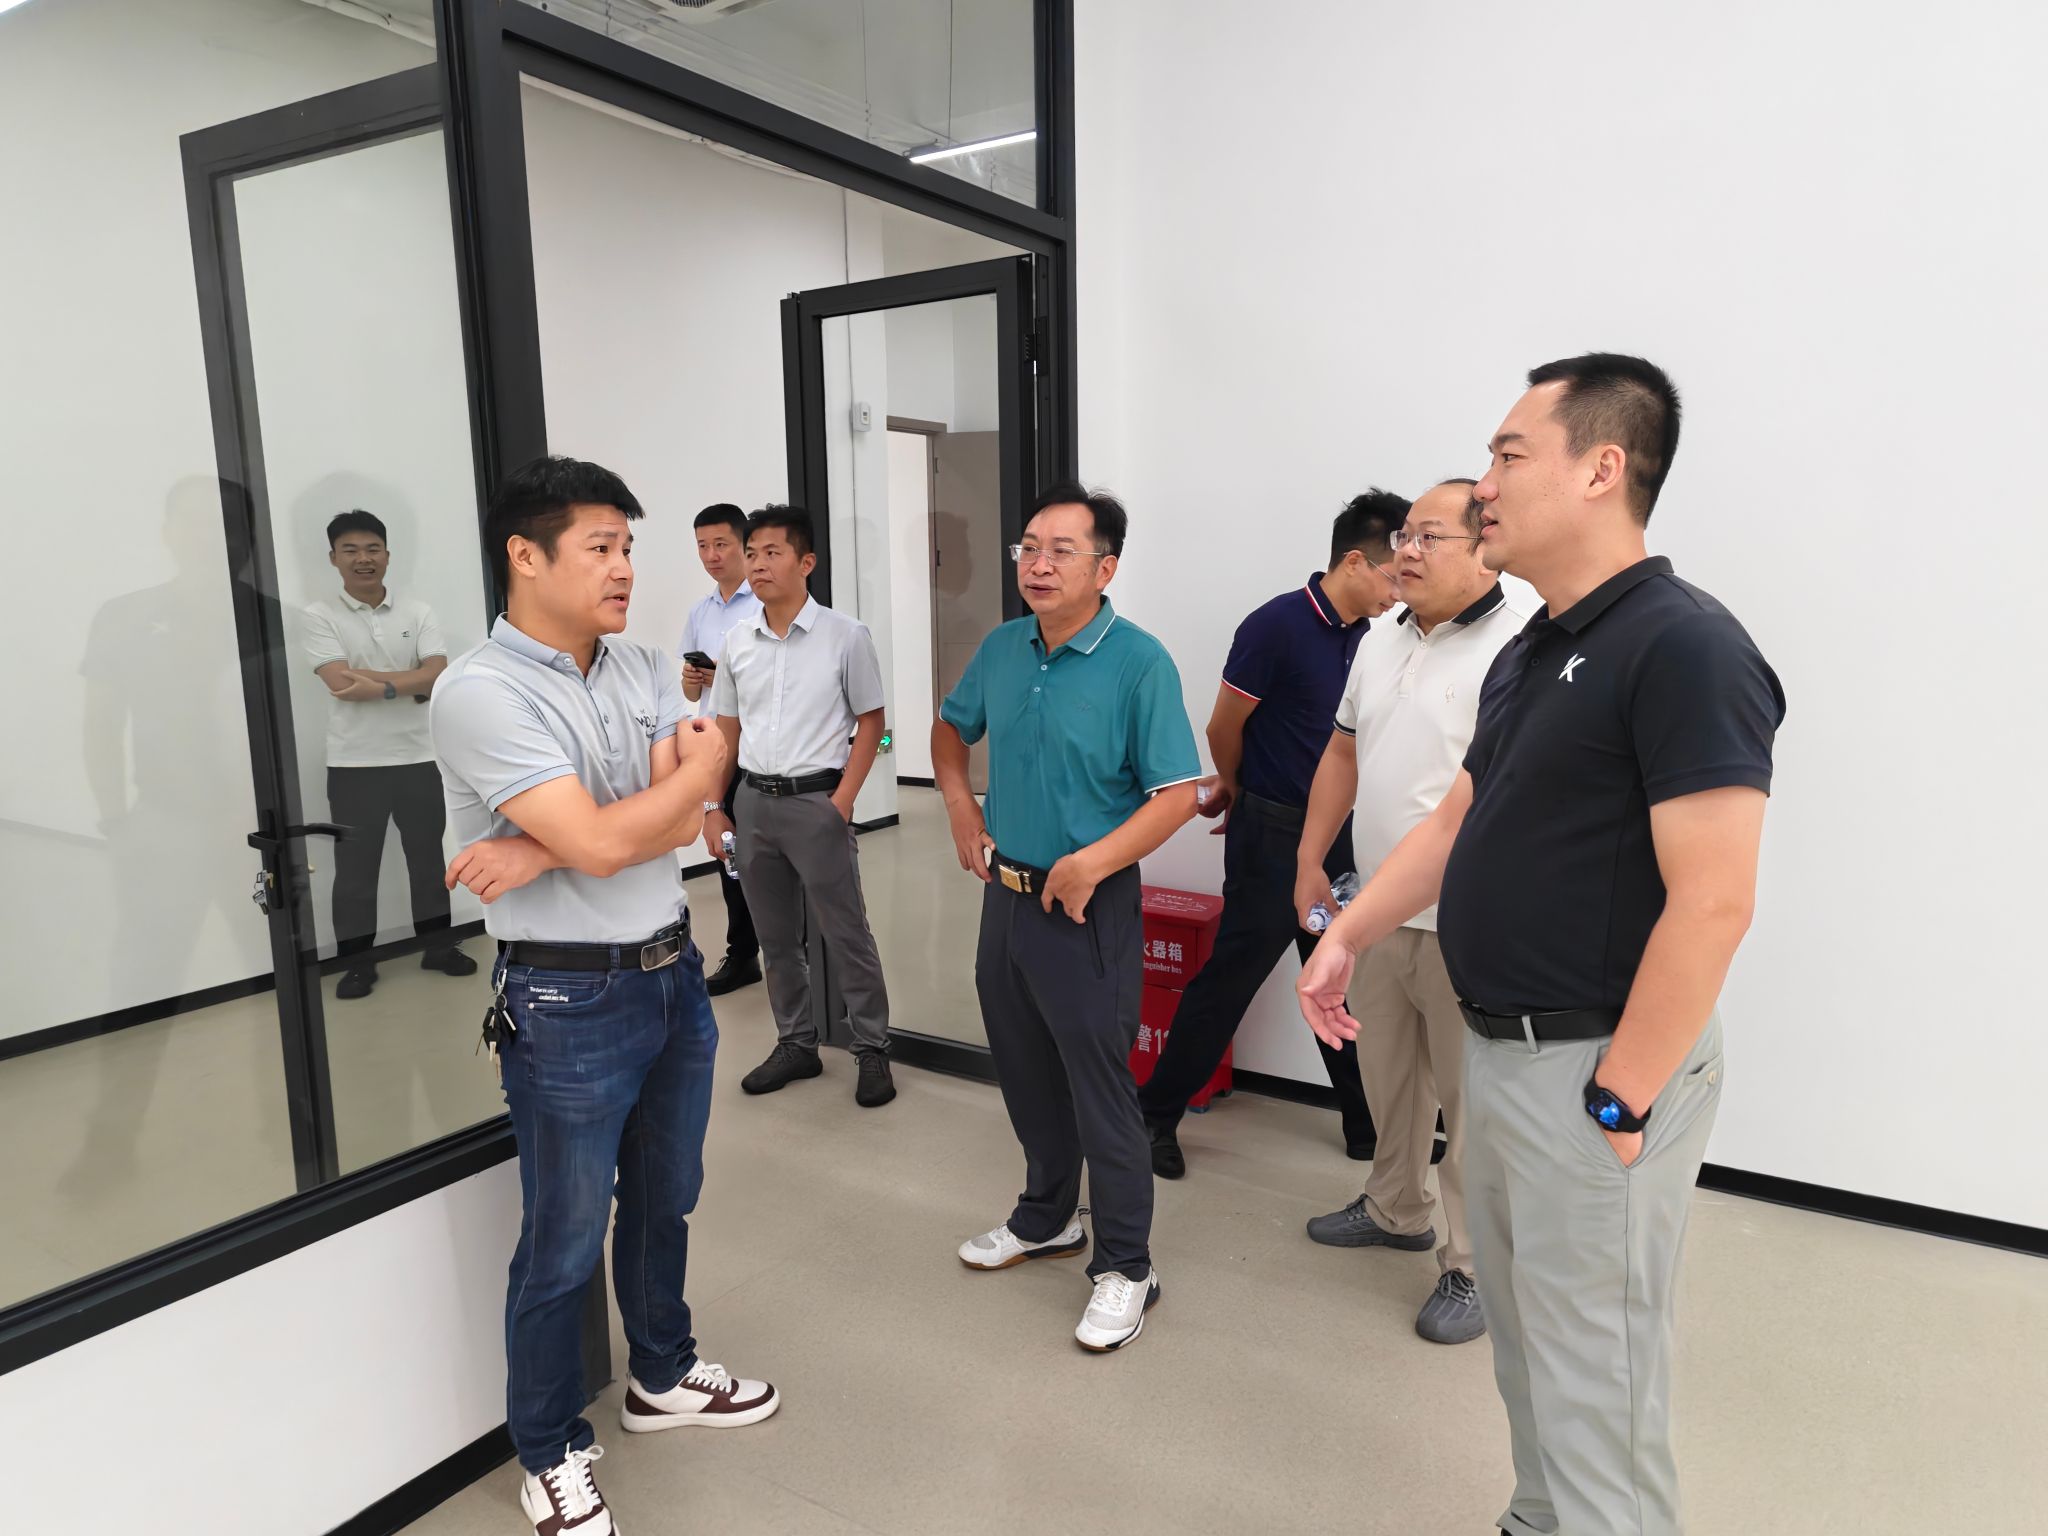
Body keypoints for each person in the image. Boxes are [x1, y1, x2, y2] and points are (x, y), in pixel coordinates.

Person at [1298, 356, 1784, 1536]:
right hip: (1502, 1055)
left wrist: (1620, 1097)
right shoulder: (1531, 648)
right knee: (1528, 1348)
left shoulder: (1684, 646)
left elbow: (1712, 902)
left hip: (1594, 1065)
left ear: (1600, 468)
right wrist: (1347, 930)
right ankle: (1537, 1519)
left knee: (1595, 1376)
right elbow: (1452, 824)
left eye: (1508, 454)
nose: (1483, 482)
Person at [431, 456, 779, 1536]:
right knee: (565, 1239)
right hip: (566, 999)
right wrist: (664, 795)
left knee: (667, 1195)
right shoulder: (481, 692)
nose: (626, 567)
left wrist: (547, 847)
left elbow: (661, 809)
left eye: (629, 547)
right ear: (525, 556)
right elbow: (655, 811)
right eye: (600, 547)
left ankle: (660, 1374)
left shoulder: (638, 665)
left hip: (673, 973)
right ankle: (547, 1449)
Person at [935, 482, 1200, 1353]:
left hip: (1088, 904)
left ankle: (1127, 1265)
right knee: (1023, 1070)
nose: (1038, 564)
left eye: (1061, 551)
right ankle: (1046, 1217)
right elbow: (949, 731)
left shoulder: (1139, 662)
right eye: (1029, 547)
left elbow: (1177, 794)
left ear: (1105, 568)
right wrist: (961, 808)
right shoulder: (1004, 647)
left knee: (1099, 1088)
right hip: (1004, 899)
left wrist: (1094, 862)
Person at [1294, 478, 1522, 1346]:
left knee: (1472, 1110)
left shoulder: (1521, 643)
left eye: (1430, 536)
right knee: (1390, 1079)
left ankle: (1472, 1266)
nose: (1408, 552)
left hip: (1471, 922)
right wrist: (1311, 860)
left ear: (1483, 547)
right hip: (1376, 911)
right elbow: (1342, 752)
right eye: (1403, 537)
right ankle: (1395, 1207)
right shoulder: (1381, 636)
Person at [1140, 489, 1407, 1178]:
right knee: (1231, 979)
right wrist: (1235, 788)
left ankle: (1364, 1125)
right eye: (1393, 574)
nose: (1400, 590)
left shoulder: (1374, 637)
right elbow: (1222, 725)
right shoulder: (1276, 626)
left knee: (1338, 976)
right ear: (1355, 562)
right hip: (1272, 834)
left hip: (1337, 836)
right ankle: (1153, 1117)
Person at [708, 506, 895, 1107]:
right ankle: (797, 1043)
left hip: (817, 802)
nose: (757, 564)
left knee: (846, 931)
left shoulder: (846, 636)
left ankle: (872, 1047)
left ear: (805, 562)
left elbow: (872, 724)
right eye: (752, 553)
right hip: (753, 804)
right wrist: (714, 805)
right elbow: (727, 730)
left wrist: (842, 802)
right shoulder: (737, 641)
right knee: (775, 937)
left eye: (772, 553)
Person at [302, 509, 472, 998]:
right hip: (354, 765)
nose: (363, 558)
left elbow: (439, 674)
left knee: (428, 863)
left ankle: (438, 947)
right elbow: (340, 683)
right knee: (355, 873)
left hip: (420, 758)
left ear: (388, 555)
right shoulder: (319, 616)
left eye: (372, 549)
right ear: (333, 558)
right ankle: (357, 964)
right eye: (351, 550)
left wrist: (378, 684)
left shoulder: (417, 612)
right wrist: (413, 683)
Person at [677, 503, 764, 997]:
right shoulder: (701, 611)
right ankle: (743, 953)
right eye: (702, 546)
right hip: (716, 749)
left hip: (759, 748)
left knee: (771, 857)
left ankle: (798, 950)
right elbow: (691, 693)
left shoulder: (764, 605)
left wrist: (726, 679)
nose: (711, 555)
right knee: (729, 856)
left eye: (721, 544)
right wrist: (696, 678)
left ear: (743, 545)